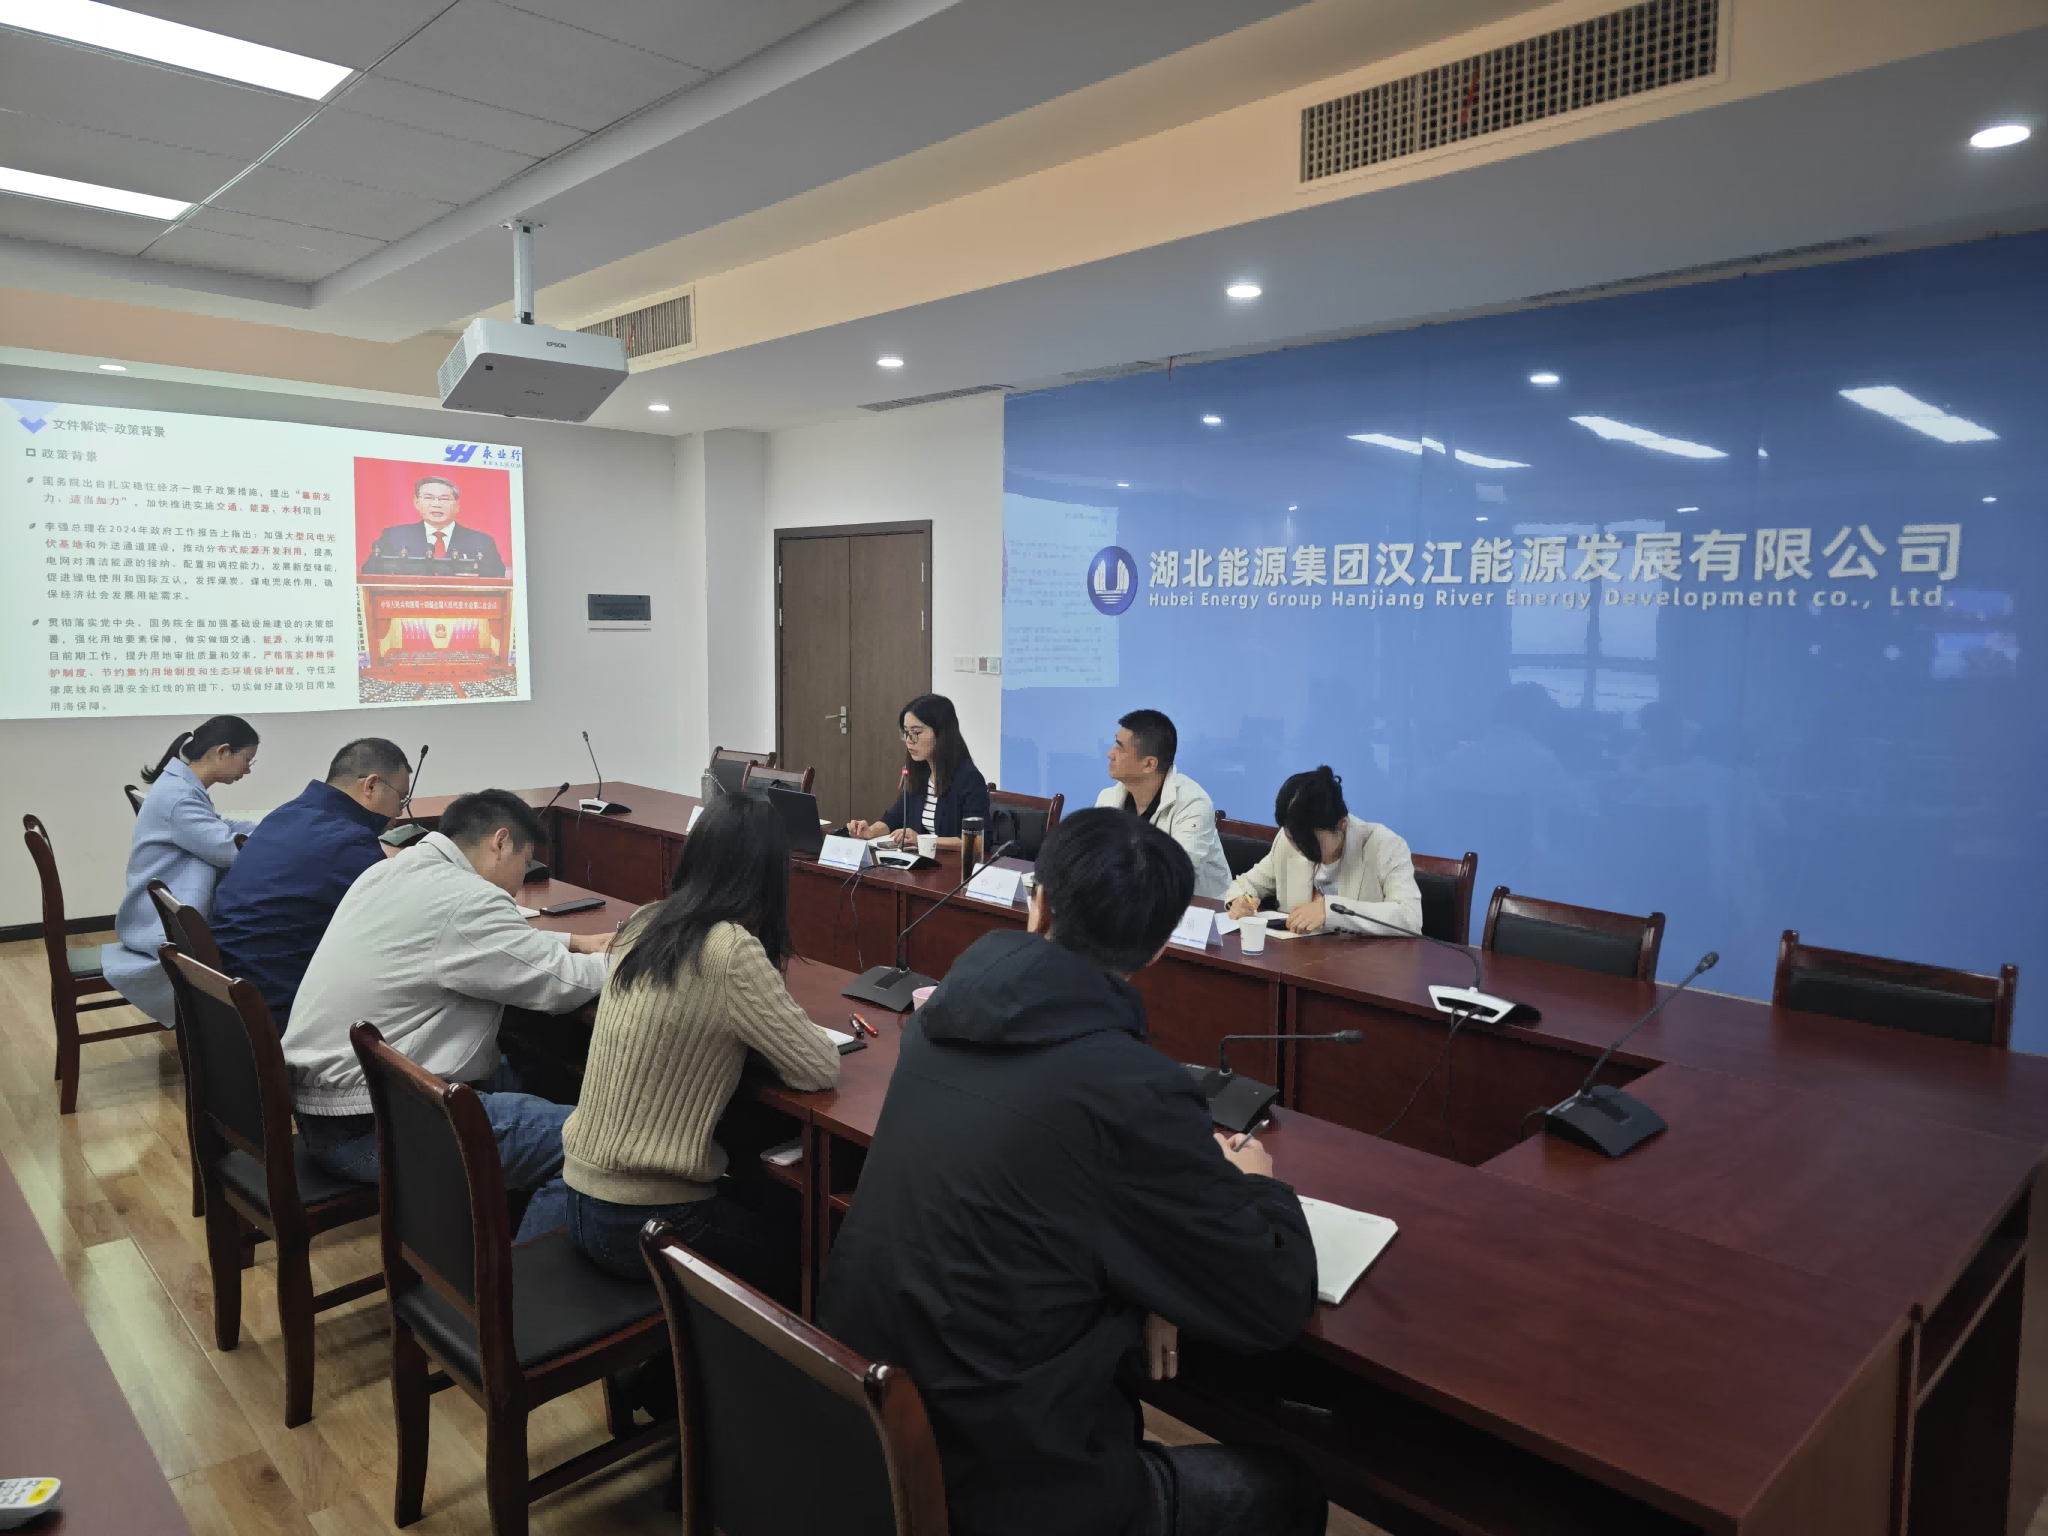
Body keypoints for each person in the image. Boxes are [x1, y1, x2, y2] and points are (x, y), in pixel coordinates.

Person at [818, 808, 1323, 1536]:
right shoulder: (1133, 1089)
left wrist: (1152, 1285)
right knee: (1289, 1488)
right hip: (1002, 1488)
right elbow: (1272, 1302)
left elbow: (1054, 1202)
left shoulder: (935, 1022)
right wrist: (1257, 1184)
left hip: (866, 1431)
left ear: (1039, 905)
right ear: (1158, 951)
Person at [283, 789, 610, 1241]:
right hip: (376, 1132)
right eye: (524, 862)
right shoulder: (468, 900)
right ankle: (524, 1278)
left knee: (537, 1072)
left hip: (328, 1114)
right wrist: (636, 958)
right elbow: (564, 985)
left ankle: (498, 1217)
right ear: (500, 842)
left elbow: (469, 940)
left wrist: (571, 941)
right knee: (596, 1145)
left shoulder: (390, 872)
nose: (521, 881)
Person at [562, 793, 839, 1301]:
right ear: (769, 874)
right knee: (808, 1261)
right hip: (644, 1220)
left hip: (580, 1197)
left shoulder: (647, 920)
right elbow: (818, 1068)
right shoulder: (730, 950)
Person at [209, 738, 412, 1028]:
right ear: (371, 786)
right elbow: (395, 930)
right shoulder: (350, 841)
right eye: (400, 798)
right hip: (279, 1009)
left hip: (230, 992)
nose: (399, 812)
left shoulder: (286, 814)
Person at [104, 717, 262, 1025]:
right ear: (223, 751)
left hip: (161, 906)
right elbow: (227, 851)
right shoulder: (179, 797)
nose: (247, 770)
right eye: (246, 760)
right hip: (160, 923)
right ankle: (233, 1026)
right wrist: (272, 835)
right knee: (255, 936)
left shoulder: (180, 785)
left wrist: (267, 826)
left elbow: (217, 825)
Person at [1224, 765, 1423, 937]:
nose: (1300, 849)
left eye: (1309, 841)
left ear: (1341, 824)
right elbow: (1247, 884)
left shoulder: (1384, 846)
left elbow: (1410, 918)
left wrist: (1329, 911)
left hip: (1361, 963)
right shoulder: (1286, 842)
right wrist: (1239, 900)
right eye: (1293, 840)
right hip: (1297, 959)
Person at [1094, 708, 1231, 900]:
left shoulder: (1193, 804)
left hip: (1197, 910)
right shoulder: (1108, 799)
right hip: (1130, 902)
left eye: (1119, 747)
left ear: (1149, 764)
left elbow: (1175, 874)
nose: (1110, 754)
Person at [847, 693, 991, 851]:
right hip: (921, 861)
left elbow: (976, 841)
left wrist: (922, 840)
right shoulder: (919, 773)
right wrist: (870, 831)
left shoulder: (969, 779)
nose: (909, 740)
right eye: (906, 732)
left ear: (941, 733)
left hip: (953, 863)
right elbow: (894, 817)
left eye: (916, 733)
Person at [362, 475, 506, 576]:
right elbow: (369, 572)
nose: (436, 504)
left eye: (444, 499)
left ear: (457, 505)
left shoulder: (481, 542)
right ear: (416, 503)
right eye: (429, 498)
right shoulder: (394, 537)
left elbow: (497, 576)